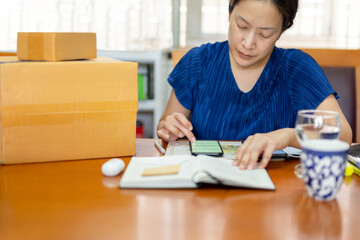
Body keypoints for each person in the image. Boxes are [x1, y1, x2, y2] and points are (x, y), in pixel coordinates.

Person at [157, 0, 352, 170]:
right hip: (206, 196)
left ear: (283, 29)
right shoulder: (198, 62)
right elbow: (166, 128)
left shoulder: (296, 68)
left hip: (277, 197)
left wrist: (289, 136)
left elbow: (343, 135)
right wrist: (169, 129)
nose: (248, 43)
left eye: (265, 34)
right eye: (242, 26)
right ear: (229, 11)